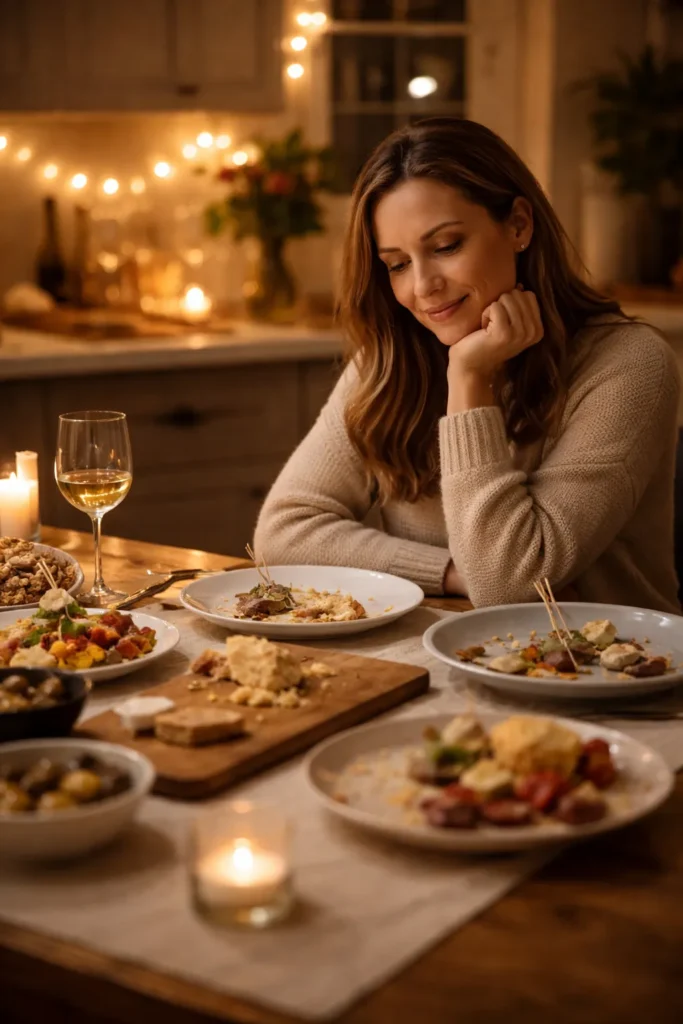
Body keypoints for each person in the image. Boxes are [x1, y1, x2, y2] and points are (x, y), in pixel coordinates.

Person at [254, 118, 680, 612]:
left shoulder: (629, 366)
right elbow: (283, 532)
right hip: (442, 662)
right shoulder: (392, 359)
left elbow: (508, 586)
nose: (423, 285)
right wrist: (450, 573)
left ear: (518, 225)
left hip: (613, 673)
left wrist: (468, 379)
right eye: (397, 264)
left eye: (446, 246)